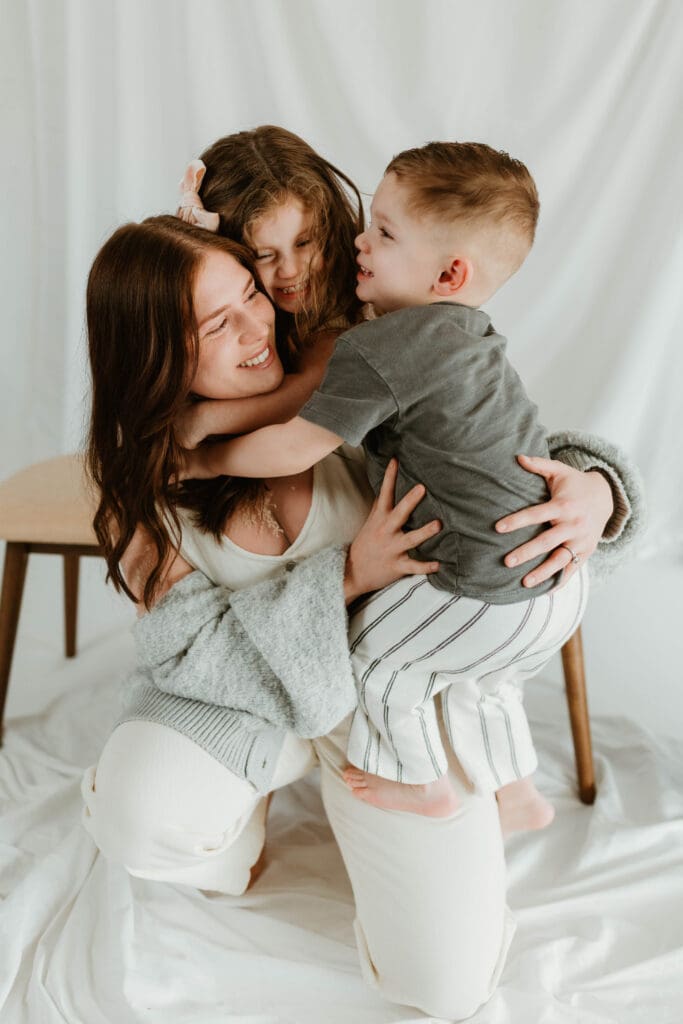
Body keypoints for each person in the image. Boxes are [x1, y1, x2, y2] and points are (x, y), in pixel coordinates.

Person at [81, 131, 641, 1019]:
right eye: (219, 317)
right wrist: (340, 575)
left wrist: (598, 493)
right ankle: (237, 835)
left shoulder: (368, 347)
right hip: (252, 695)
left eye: (252, 294)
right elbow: (192, 653)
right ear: (151, 350)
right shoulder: (139, 492)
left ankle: (444, 803)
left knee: (444, 989)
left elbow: (493, 443)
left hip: (396, 703)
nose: (263, 316)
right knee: (140, 815)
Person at [179, 141, 604, 830]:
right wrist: (185, 250)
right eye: (259, 258)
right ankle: (516, 791)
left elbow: (295, 438)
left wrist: (206, 455)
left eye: (378, 231)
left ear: (448, 271)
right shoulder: (469, 331)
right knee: (482, 682)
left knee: (379, 663)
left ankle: (416, 778)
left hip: (487, 586)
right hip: (556, 589)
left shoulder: (379, 344)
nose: (358, 241)